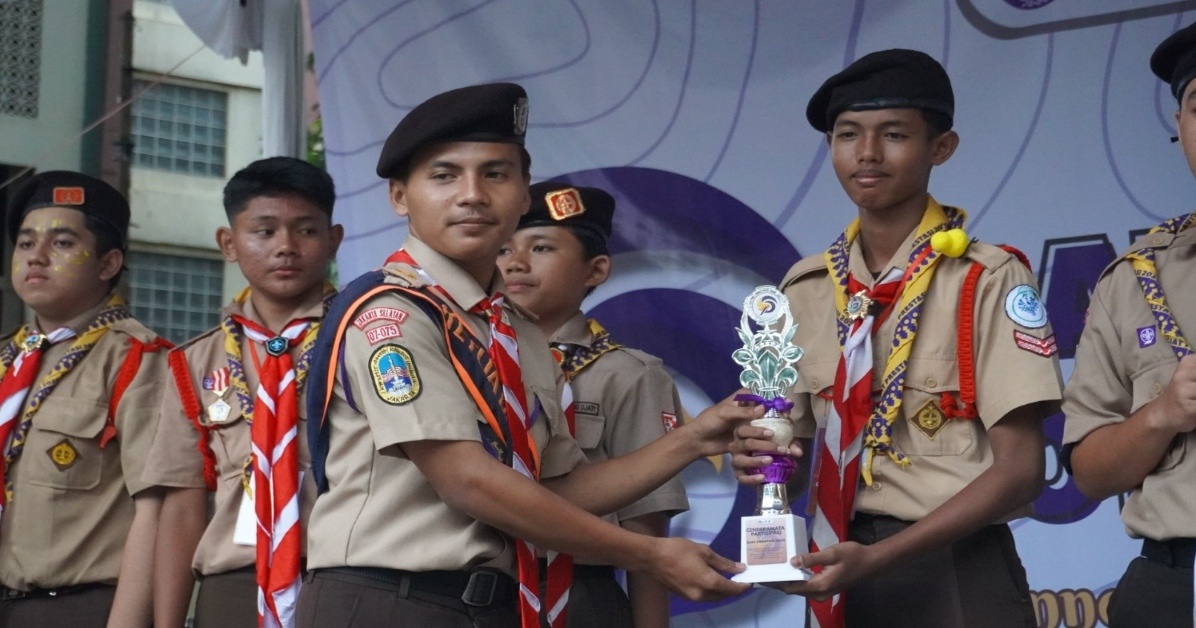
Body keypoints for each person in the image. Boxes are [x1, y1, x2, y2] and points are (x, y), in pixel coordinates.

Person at [299, 82, 757, 628]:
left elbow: (557, 490)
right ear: (400, 197)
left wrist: (695, 438)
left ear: (522, 193)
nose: (472, 194)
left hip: (489, 606)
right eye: (444, 175)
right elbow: (466, 480)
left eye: (495, 173)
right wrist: (647, 554)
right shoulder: (391, 314)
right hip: (389, 601)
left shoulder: (513, 328)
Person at [730, 49, 1063, 628]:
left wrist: (877, 560)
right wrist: (761, 463)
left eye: (894, 134)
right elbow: (794, 447)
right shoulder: (806, 287)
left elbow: (1021, 470)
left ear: (941, 147)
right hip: (838, 564)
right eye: (847, 134)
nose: (867, 154)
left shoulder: (986, 278)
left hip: (957, 566)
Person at [141, 157, 343, 628]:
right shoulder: (195, 361)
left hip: (338, 574)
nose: (286, 248)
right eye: (264, 231)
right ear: (228, 244)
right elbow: (182, 507)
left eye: (306, 231)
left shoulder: (362, 336)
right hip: (233, 583)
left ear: (334, 240)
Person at [498, 181, 688, 628]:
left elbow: (648, 524)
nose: (516, 263)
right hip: (477, 591)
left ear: (596, 269)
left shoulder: (629, 374)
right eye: (503, 249)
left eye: (541, 247)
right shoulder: (473, 365)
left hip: (578, 594)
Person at [1061, 19, 1196, 628]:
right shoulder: (1135, 279)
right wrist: (1164, 413)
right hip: (1175, 580)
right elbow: (1090, 473)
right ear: (1181, 127)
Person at [0, 171, 170, 627]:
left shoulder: (138, 361)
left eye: (61, 244)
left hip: (75, 608)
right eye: (25, 243)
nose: (36, 257)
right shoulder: (5, 361)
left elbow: (156, 511)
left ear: (108, 263)